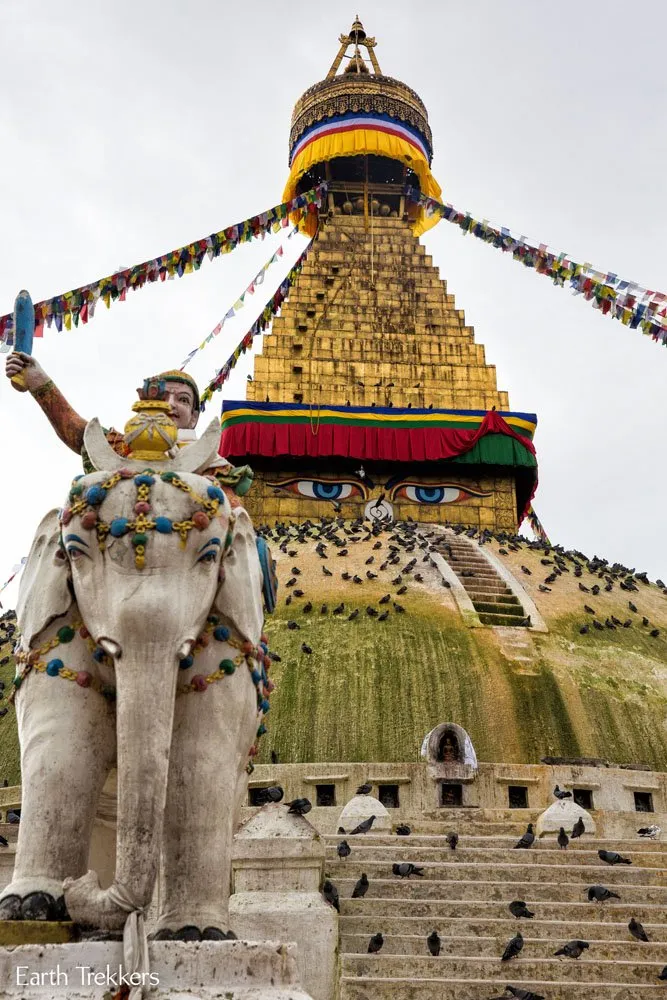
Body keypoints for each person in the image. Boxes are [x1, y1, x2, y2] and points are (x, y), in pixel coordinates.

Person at [4, 352, 252, 495]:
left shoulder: (214, 467)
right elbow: (78, 431)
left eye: (183, 400)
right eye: (163, 397)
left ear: (194, 416)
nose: (172, 404)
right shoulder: (122, 448)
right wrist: (38, 382)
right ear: (146, 401)